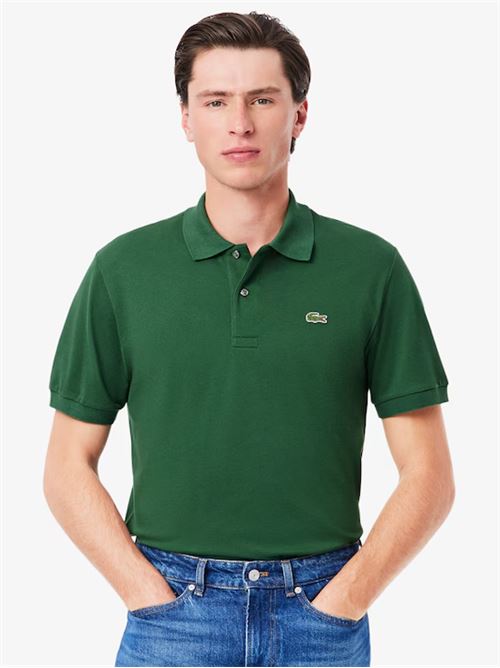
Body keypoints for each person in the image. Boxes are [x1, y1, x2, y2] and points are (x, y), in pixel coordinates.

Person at [43, 10, 455, 667]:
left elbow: (430, 474)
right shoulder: (123, 270)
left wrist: (344, 600)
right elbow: (66, 465)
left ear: (299, 115)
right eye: (216, 101)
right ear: (186, 118)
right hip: (172, 612)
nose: (239, 123)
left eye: (262, 99)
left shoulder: (370, 269)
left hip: (322, 611)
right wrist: (147, 594)